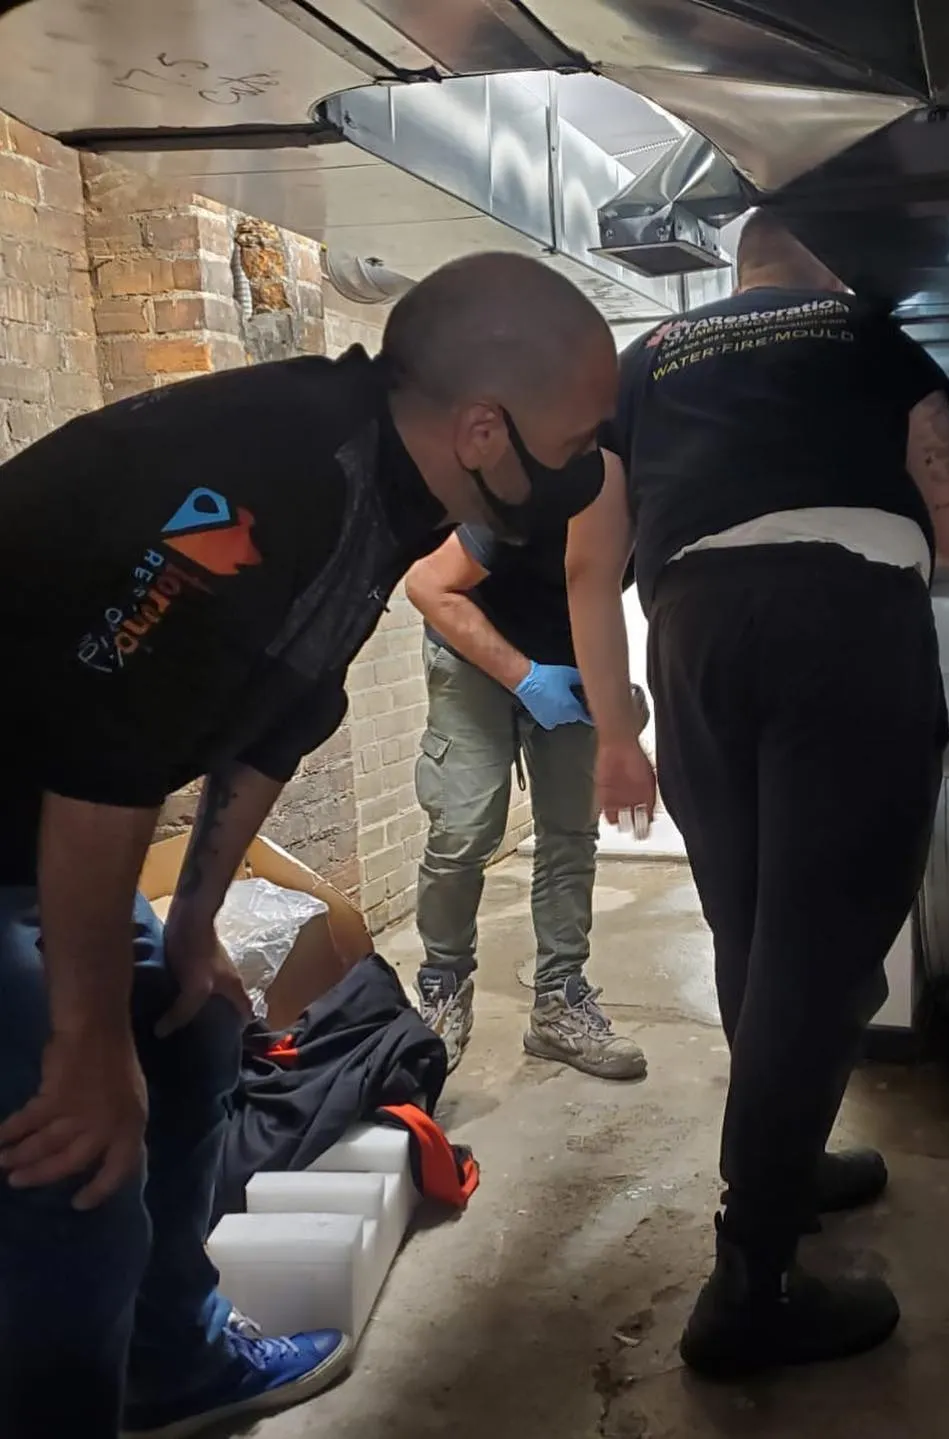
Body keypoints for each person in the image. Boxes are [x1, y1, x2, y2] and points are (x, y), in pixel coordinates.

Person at [0, 251, 618, 1439]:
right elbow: (101, 761)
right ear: (484, 429)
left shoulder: (390, 492)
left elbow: (276, 718)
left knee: (193, 1031)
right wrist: (84, 1040)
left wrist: (194, 927)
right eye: (580, 439)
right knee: (75, 1143)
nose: (590, 468)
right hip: (37, 813)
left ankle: (169, 1362)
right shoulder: (274, 473)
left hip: (34, 825)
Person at [565, 211, 949, 1380]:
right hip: (846, 617)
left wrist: (616, 732)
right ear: (829, 260)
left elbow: (589, 562)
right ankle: (752, 1282)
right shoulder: (870, 333)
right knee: (829, 949)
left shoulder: (645, 361)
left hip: (694, 633)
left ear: (739, 264)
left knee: (754, 932)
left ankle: (786, 1169)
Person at [403, 524, 648, 1079]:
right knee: (464, 826)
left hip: (571, 653)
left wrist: (619, 709)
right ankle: (443, 986)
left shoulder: (649, 516)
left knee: (571, 829)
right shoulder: (531, 499)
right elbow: (426, 585)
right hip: (471, 647)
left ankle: (559, 1004)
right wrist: (526, 678)